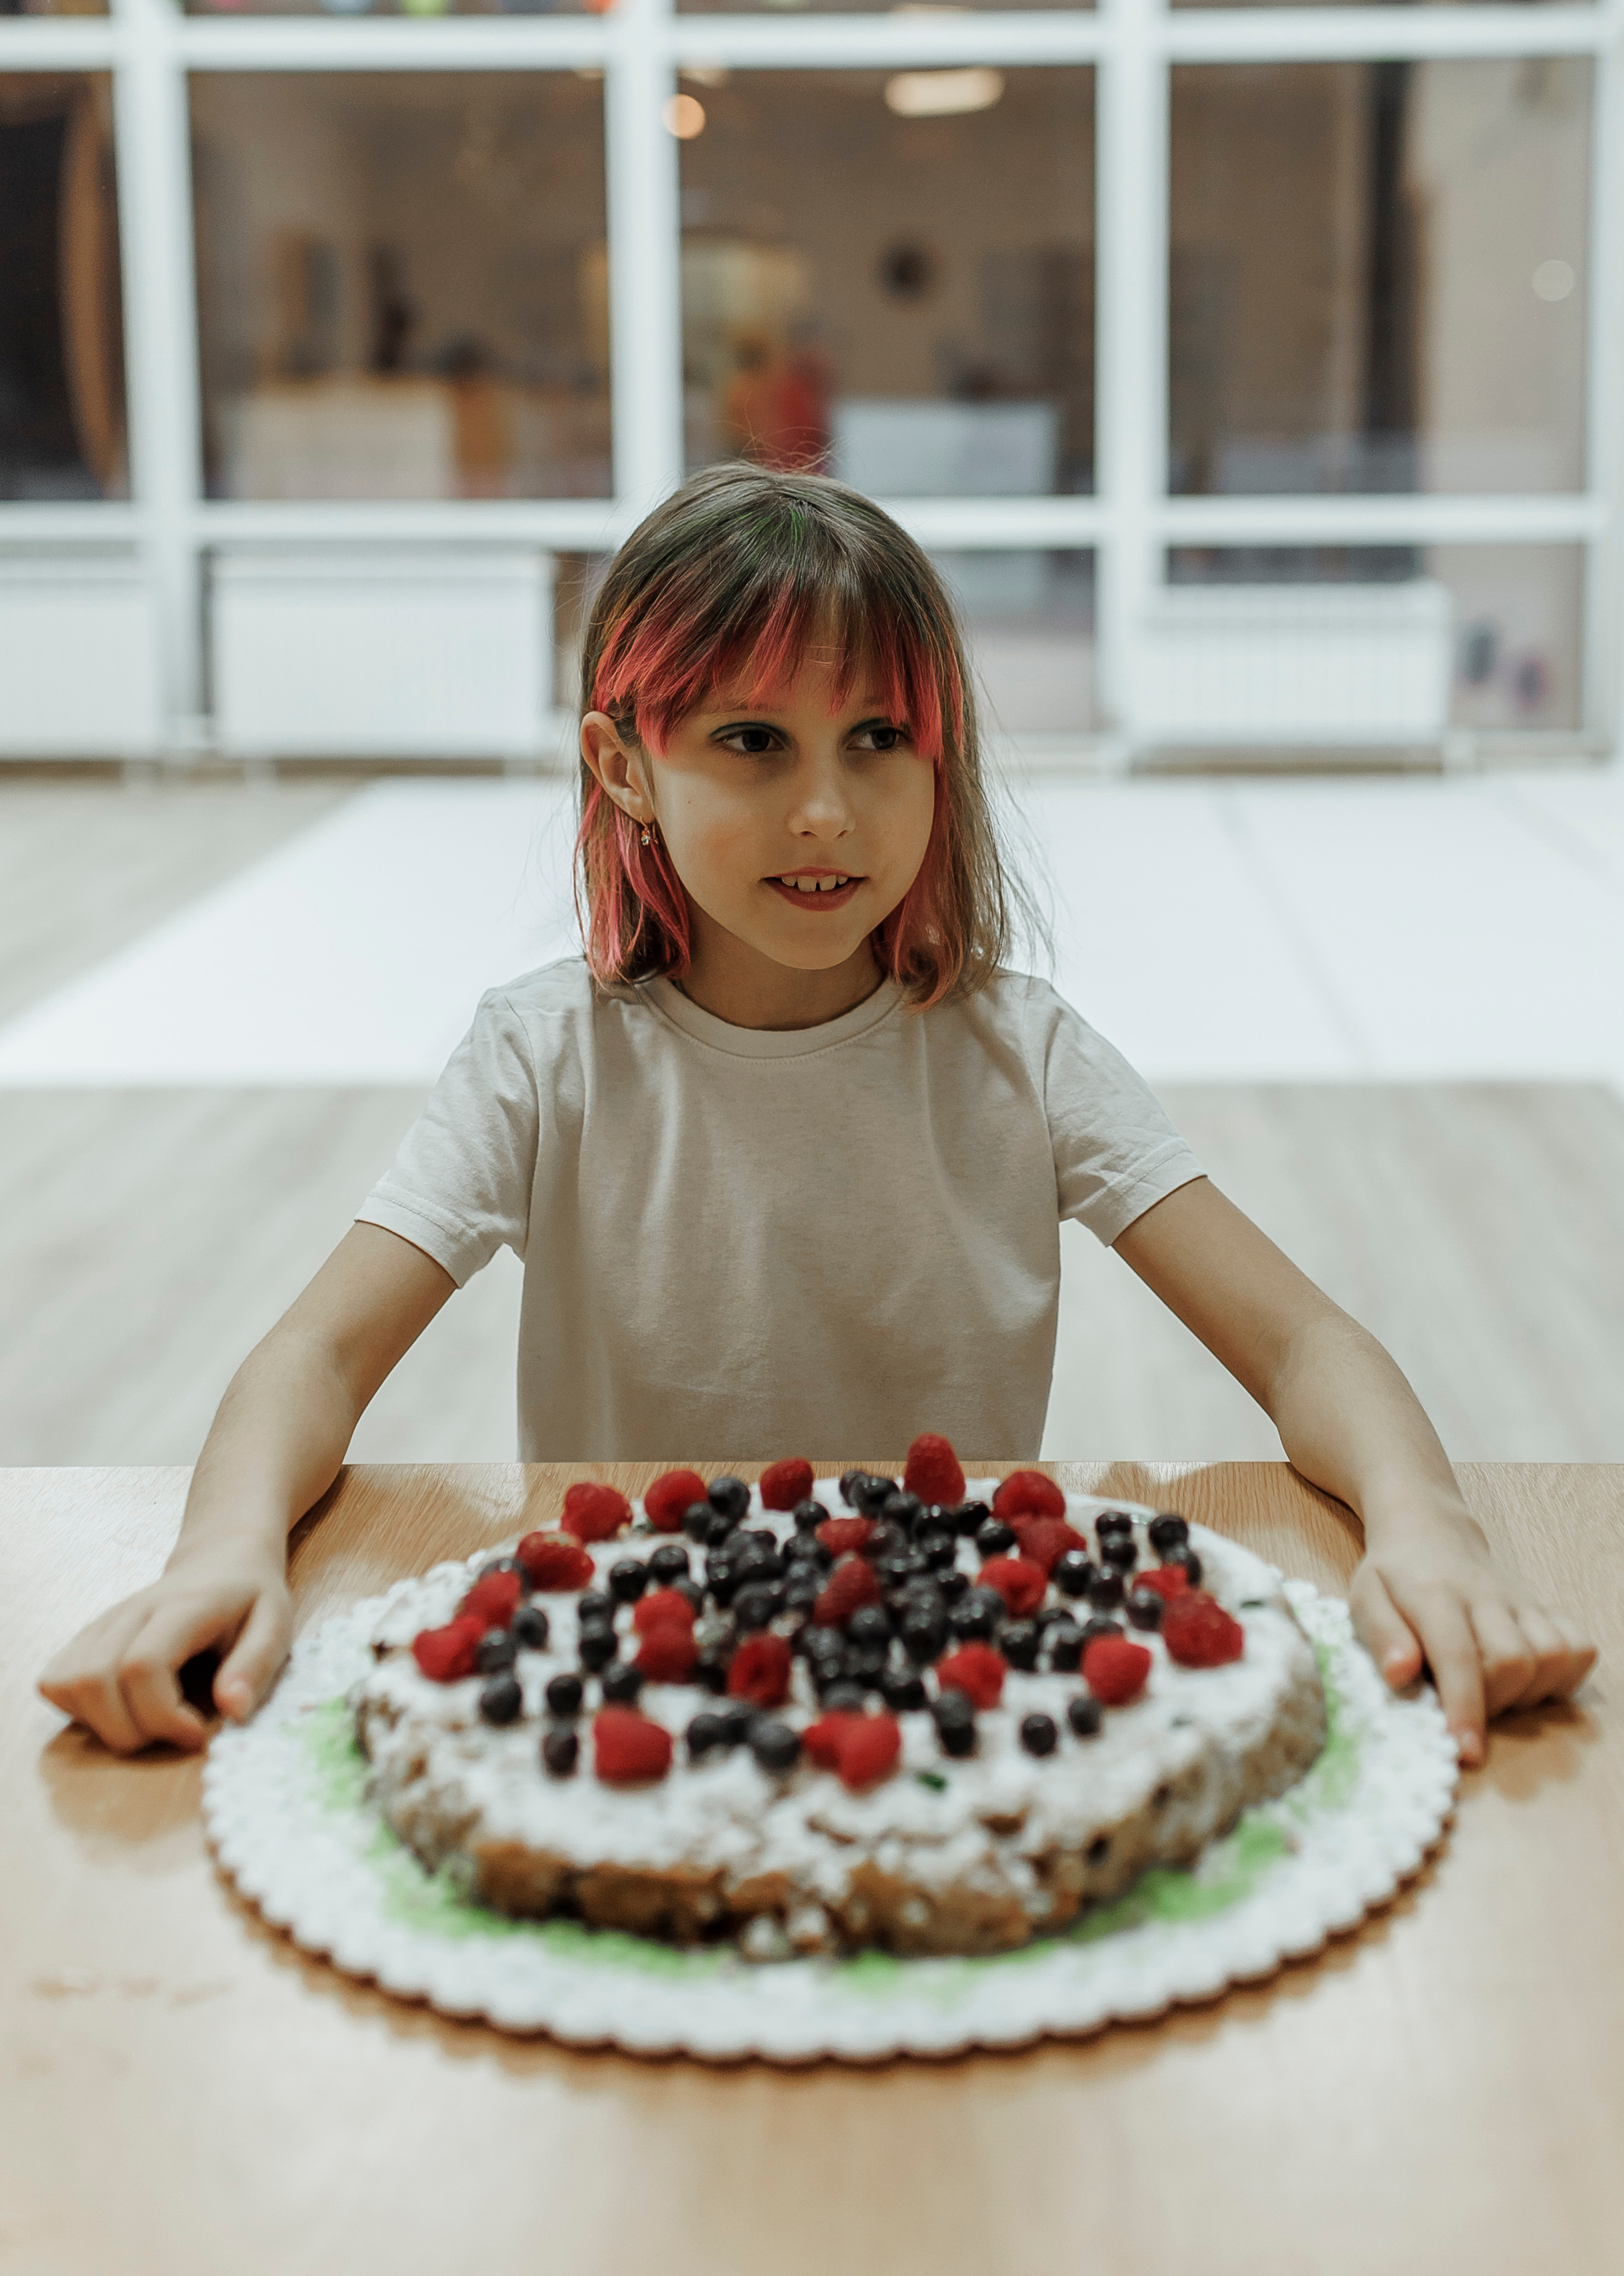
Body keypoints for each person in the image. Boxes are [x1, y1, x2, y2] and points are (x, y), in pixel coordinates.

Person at [39, 466, 1594, 1763]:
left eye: (878, 741)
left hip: (932, 1687)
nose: (827, 814)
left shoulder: (1022, 1055)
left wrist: (1425, 1522)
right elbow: (311, 1354)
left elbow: (1302, 1342)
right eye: (749, 742)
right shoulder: (540, 1057)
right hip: (637, 1675)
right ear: (623, 768)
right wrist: (227, 1549)